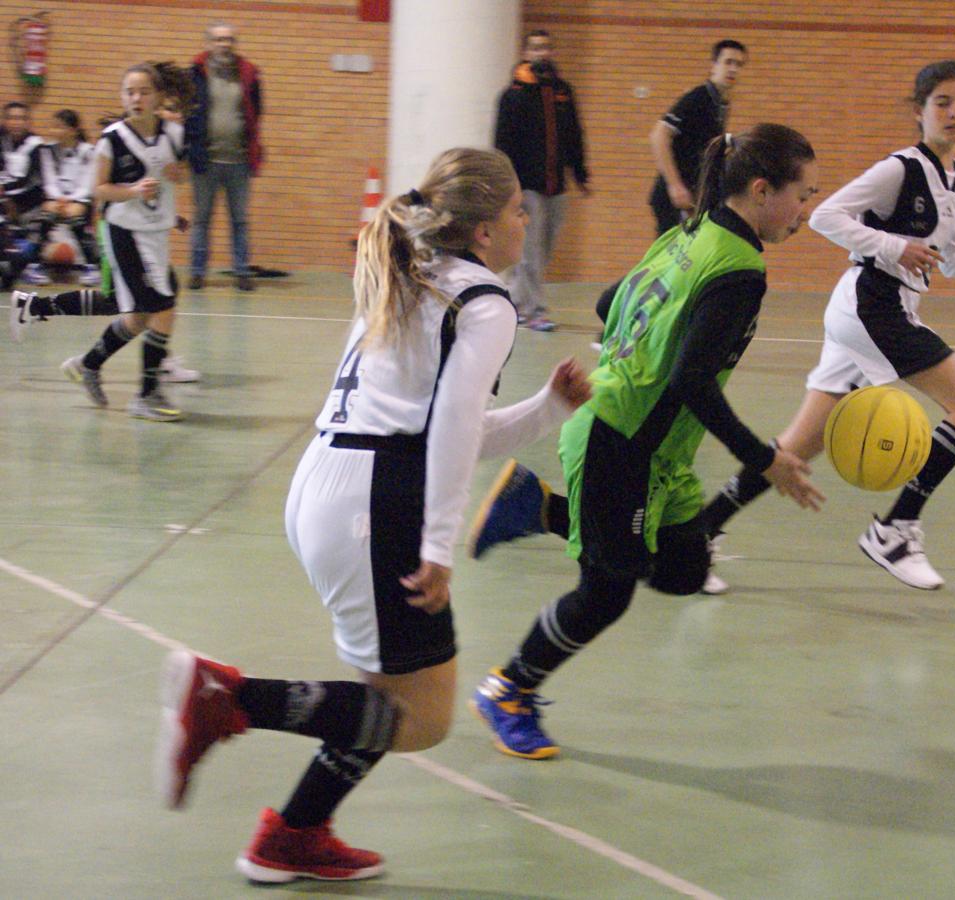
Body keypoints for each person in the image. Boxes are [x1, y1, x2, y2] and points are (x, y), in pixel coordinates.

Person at [155, 147, 591, 882]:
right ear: (485, 231)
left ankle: (291, 836)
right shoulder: (484, 301)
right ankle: (225, 698)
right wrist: (440, 544)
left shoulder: (413, 275)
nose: (526, 220)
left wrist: (547, 409)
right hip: (376, 504)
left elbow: (438, 425)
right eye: (518, 209)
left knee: (383, 700)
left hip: (329, 485)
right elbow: (450, 427)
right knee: (420, 720)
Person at [471, 124, 824, 760]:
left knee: (686, 569)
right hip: (620, 440)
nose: (806, 211)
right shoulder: (741, 270)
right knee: (607, 591)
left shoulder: (689, 232)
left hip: (649, 440)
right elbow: (693, 383)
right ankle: (508, 690)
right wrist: (767, 459)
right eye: (803, 195)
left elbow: (611, 304)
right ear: (764, 189)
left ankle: (537, 507)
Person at [687, 60, 955, 591]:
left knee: (796, 449)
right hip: (872, 306)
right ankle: (895, 528)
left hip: (885, 310)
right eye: (943, 102)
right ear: (919, 111)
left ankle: (699, 534)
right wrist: (893, 245)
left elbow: (951, 259)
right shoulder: (899, 169)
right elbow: (826, 216)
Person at [59, 62, 192, 421]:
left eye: (144, 91)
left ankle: (87, 365)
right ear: (123, 97)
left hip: (155, 233)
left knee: (137, 318)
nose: (136, 98)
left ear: (157, 96)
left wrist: (179, 177)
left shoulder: (173, 134)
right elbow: (99, 189)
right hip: (123, 232)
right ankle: (146, 395)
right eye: (130, 92)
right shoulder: (112, 139)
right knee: (162, 308)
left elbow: (180, 173)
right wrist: (132, 190)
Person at [494, 29, 590, 332]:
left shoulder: (563, 91)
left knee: (543, 249)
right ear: (526, 53)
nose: (542, 53)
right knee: (531, 251)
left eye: (546, 47)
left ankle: (513, 302)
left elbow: (575, 134)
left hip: (556, 186)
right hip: (527, 187)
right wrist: (509, 185)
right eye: (536, 48)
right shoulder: (514, 94)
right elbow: (502, 143)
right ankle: (536, 311)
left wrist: (580, 173)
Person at [185, 21, 263, 292]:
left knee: (240, 220)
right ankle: (196, 272)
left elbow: (257, 114)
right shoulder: (194, 74)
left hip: (239, 162)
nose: (224, 44)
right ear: (208, 44)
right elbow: (186, 114)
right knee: (202, 219)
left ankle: (242, 272)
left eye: (229, 39)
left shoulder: (249, 74)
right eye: (219, 40)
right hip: (205, 162)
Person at [649, 39, 747, 236]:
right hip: (675, 198)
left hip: (694, 197)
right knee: (671, 260)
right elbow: (659, 135)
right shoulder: (698, 98)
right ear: (714, 65)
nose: (733, 69)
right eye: (728, 62)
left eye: (738, 64)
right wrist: (675, 186)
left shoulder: (720, 104)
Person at [22, 109, 100, 287]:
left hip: (79, 198)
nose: (53, 131)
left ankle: (91, 266)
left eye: (59, 127)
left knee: (77, 215)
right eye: (53, 127)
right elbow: (48, 179)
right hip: (56, 198)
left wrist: (72, 200)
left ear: (73, 130)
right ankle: (34, 266)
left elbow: (87, 183)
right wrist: (58, 199)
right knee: (47, 212)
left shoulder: (88, 151)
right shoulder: (47, 150)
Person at [0, 101, 45, 224]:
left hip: (26, 198)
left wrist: (3, 190)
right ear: (4, 121)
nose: (16, 123)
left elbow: (26, 180)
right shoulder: (3, 138)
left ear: (28, 122)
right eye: (11, 118)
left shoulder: (35, 144)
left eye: (21, 119)